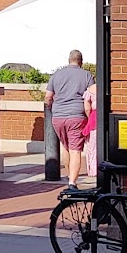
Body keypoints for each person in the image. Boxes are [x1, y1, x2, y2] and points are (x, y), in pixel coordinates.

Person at [48, 49, 98, 190]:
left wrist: (53, 107)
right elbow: (94, 92)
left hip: (57, 116)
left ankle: (69, 174)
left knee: (66, 146)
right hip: (76, 116)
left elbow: (48, 96)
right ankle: (72, 182)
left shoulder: (56, 74)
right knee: (75, 150)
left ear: (68, 60)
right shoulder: (86, 75)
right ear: (81, 61)